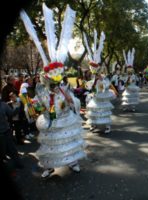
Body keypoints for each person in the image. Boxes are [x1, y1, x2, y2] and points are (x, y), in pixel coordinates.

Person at [20, 3, 86, 178]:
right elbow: (35, 104)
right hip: (51, 122)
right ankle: (48, 167)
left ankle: (72, 161)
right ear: (47, 76)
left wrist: (71, 101)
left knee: (68, 142)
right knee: (51, 147)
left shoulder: (64, 87)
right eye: (52, 77)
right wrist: (30, 105)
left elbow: (74, 101)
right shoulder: (42, 90)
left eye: (57, 77)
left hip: (65, 119)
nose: (56, 80)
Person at [83, 31, 115, 134]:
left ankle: (107, 126)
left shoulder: (103, 77)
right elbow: (89, 87)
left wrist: (101, 80)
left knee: (104, 112)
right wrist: (91, 83)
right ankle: (93, 125)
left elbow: (106, 85)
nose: (94, 72)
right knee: (94, 112)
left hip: (102, 98)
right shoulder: (93, 78)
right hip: (95, 98)